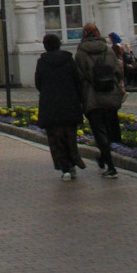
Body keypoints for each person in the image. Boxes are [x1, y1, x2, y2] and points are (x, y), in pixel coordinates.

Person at [75, 23, 125, 179]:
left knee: (100, 132)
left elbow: (79, 76)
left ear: (84, 34)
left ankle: (109, 165)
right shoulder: (108, 50)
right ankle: (106, 159)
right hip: (110, 94)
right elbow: (117, 71)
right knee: (110, 131)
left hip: (92, 97)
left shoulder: (80, 53)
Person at [35, 33, 86, 180]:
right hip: (69, 104)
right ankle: (73, 163)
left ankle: (65, 169)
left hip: (50, 105)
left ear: (45, 46)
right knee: (70, 137)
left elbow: (39, 83)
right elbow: (77, 80)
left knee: (56, 139)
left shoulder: (42, 62)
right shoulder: (68, 60)